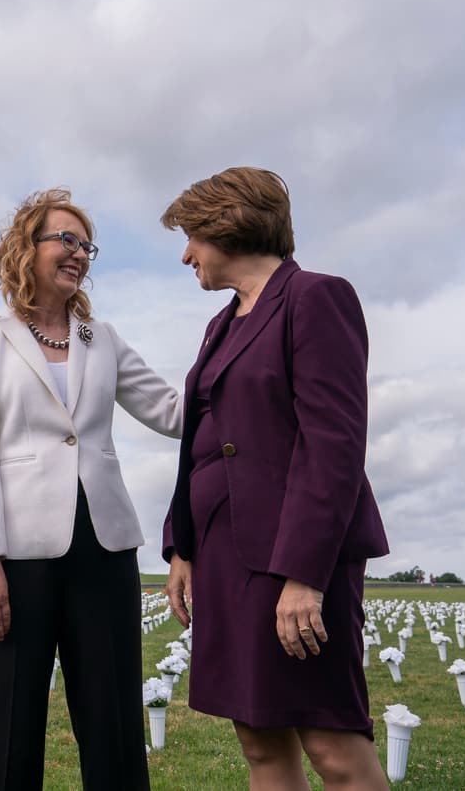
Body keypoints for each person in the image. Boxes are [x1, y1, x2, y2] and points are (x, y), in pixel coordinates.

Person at [159, 167, 390, 790]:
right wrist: (182, 544)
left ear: (225, 226)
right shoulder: (222, 323)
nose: (186, 255)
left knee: (334, 746)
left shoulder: (317, 297)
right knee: (260, 743)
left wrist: (304, 576)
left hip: (293, 558)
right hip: (226, 555)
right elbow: (201, 443)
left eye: (191, 238)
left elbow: (334, 445)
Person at [0, 188, 182, 789]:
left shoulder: (101, 337)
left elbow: (172, 411)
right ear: (26, 249)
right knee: (6, 728)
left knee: (113, 726)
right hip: (16, 559)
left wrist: (248, 375)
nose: (79, 253)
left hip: (104, 552)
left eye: (87, 245)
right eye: (66, 239)